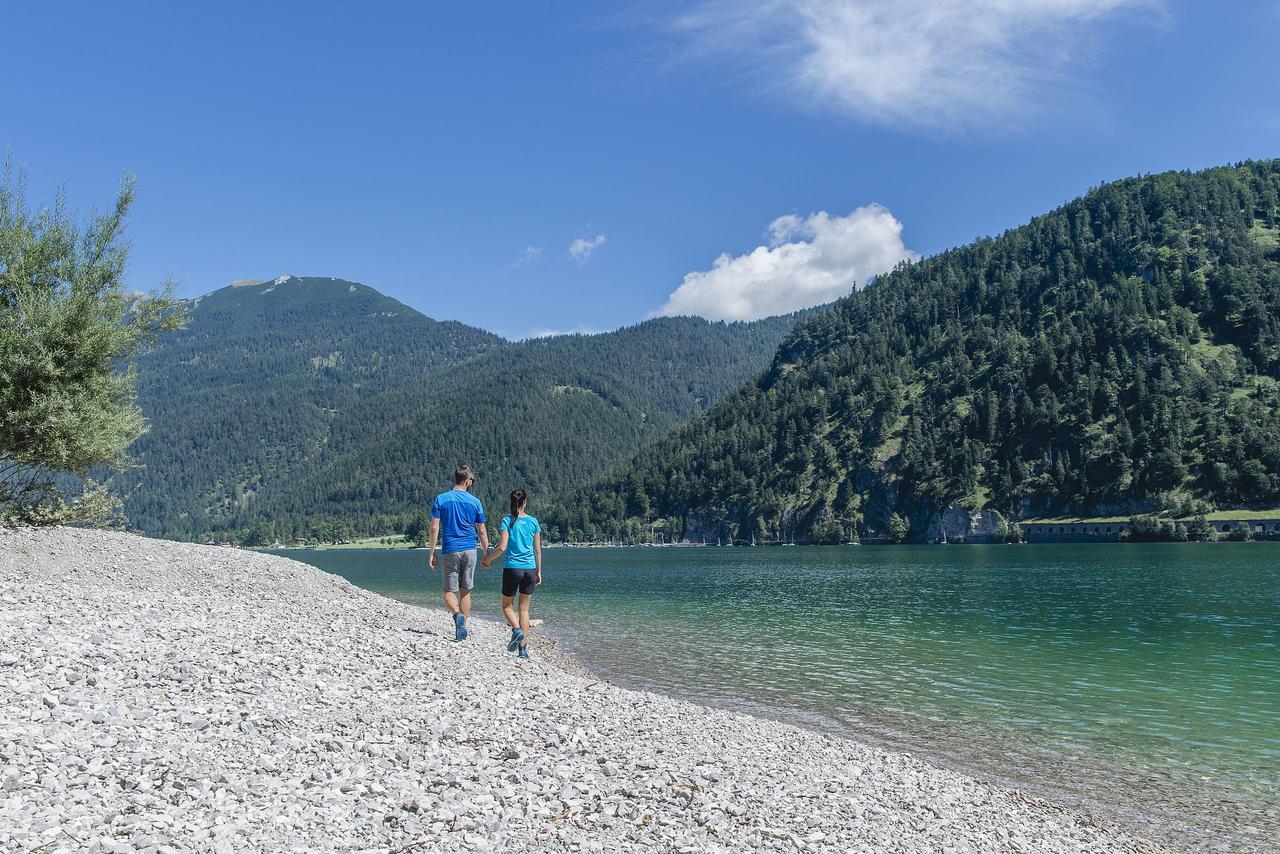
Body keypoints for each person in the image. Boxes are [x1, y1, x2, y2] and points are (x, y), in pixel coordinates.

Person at [428, 465, 490, 640]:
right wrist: (487, 554)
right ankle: (463, 625)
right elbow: (482, 530)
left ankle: (457, 615)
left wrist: (432, 552)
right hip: (470, 549)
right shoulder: (475, 502)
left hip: (450, 550)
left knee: (449, 591)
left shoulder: (441, 499)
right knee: (466, 591)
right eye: (472, 482)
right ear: (468, 481)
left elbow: (434, 528)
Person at [481, 488, 541, 660]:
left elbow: (502, 547)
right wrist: (539, 571)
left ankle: (516, 630)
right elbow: (537, 550)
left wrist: (487, 560)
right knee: (524, 610)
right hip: (530, 569)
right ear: (525, 502)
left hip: (512, 569)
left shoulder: (507, 520)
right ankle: (523, 650)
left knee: (507, 606)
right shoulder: (533, 522)